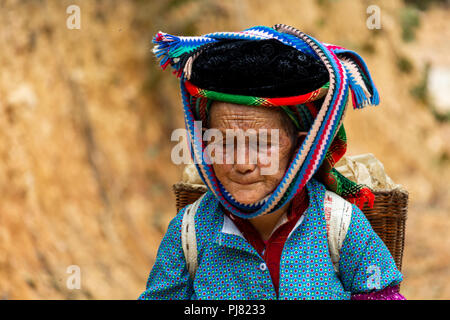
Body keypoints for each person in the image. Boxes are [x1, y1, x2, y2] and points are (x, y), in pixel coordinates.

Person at [138, 24, 405, 300]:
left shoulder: (340, 226)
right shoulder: (188, 234)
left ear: (301, 147)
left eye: (261, 144)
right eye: (225, 143)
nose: (242, 164)